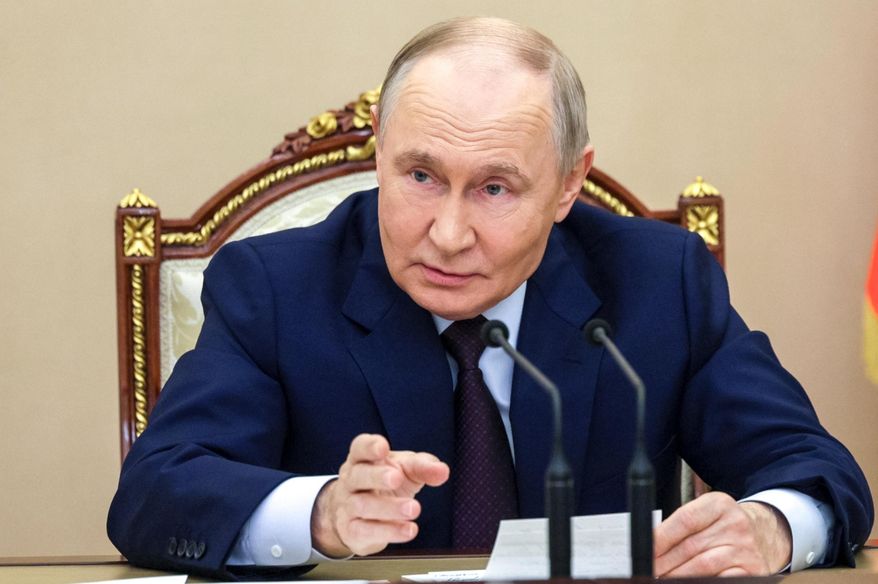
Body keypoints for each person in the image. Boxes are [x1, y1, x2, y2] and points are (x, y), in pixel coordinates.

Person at [107, 16, 873, 580]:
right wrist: (320, 513)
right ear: (379, 149)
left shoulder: (657, 281)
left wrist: (771, 528)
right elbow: (152, 494)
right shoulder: (274, 288)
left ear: (570, 182)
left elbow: (815, 469)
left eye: (495, 188)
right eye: (420, 176)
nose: (446, 233)